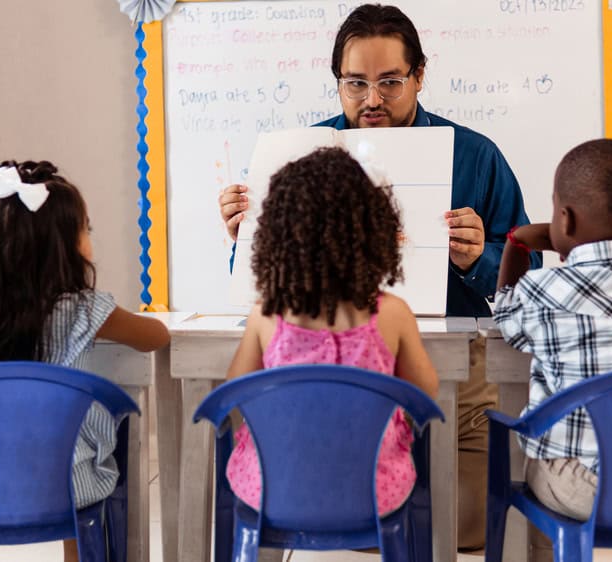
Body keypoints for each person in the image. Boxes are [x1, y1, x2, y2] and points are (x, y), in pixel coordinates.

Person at [217, 4, 539, 547]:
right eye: (355, 83)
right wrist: (244, 237)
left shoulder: (477, 156)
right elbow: (262, 289)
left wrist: (479, 262)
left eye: (390, 82)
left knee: (480, 517)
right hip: (325, 385)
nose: (371, 99)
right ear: (337, 82)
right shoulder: (302, 155)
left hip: (457, 377)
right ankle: (360, 512)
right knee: (387, 506)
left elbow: (530, 289)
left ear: (419, 75)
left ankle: (349, 516)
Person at [0, 160, 171, 562]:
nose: (90, 237)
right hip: (63, 482)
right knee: (75, 454)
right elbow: (155, 338)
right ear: (63, 245)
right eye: (85, 229)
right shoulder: (84, 309)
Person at [493, 139, 612, 562]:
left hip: (575, 487)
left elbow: (505, 318)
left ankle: (550, 552)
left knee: (541, 481)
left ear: (563, 218)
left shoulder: (543, 289)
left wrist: (517, 244)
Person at [224, 147, 439, 516]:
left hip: (275, 487)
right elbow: (425, 394)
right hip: (374, 490)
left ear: (277, 236)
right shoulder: (393, 315)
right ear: (373, 231)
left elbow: (236, 392)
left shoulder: (266, 313)